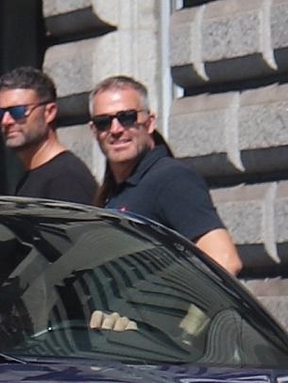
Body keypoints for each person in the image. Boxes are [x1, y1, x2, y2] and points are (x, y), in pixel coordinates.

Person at [91, 75, 242, 275]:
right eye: (104, 122)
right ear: (94, 131)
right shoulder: (114, 190)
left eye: (127, 117)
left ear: (150, 122)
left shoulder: (171, 179)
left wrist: (167, 305)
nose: (116, 129)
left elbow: (225, 260)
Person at [0, 67, 96, 205]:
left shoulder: (66, 179)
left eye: (17, 111)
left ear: (49, 112)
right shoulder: (32, 176)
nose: (6, 121)